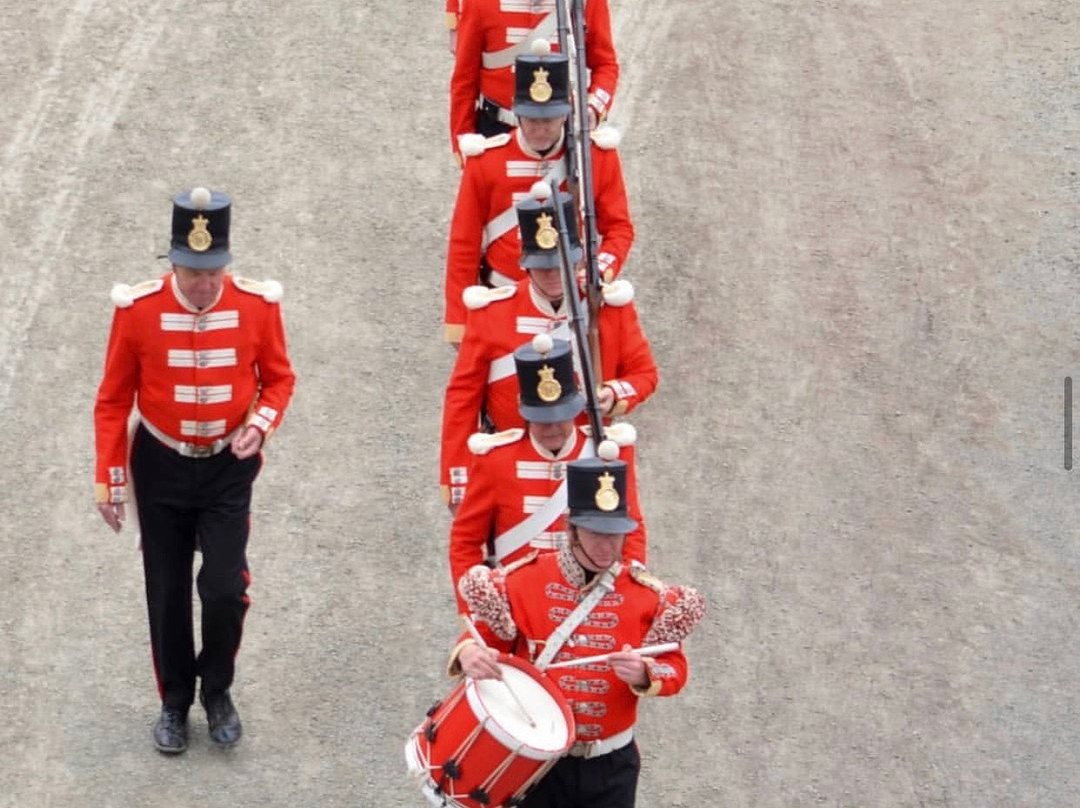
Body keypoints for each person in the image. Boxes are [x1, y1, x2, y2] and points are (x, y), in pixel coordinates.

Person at [93, 186, 296, 754]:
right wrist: (109, 478)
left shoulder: (257, 307)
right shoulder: (137, 313)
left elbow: (279, 379)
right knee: (168, 589)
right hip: (159, 466)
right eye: (192, 272)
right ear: (173, 262)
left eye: (213, 273)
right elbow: (112, 400)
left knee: (226, 588)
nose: (204, 285)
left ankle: (218, 689)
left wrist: (261, 423)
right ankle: (175, 702)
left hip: (228, 466)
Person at [451, 453, 706, 808]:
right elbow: (482, 638)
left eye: (616, 535)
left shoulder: (648, 595)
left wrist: (645, 673)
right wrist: (468, 653)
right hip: (538, 762)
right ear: (571, 528)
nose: (608, 547)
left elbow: (675, 667)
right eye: (596, 534)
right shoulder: (524, 579)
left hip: (610, 765)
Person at [440, 189, 656, 507]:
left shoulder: (610, 308)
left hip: (588, 457)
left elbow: (644, 374)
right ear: (526, 265)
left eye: (562, 264)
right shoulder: (492, 313)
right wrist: (459, 481)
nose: (554, 275)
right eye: (544, 267)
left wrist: (614, 393)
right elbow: (463, 398)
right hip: (510, 467)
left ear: (579, 259)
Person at [443, 43, 633, 344]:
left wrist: (598, 272)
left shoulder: (597, 158)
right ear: (517, 115)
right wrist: (459, 321)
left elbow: (619, 229)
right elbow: (464, 243)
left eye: (549, 119)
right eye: (532, 119)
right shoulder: (485, 162)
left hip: (570, 304)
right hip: (502, 302)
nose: (540, 129)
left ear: (565, 115)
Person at [448, 335, 647, 613]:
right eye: (542, 420)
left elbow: (630, 531)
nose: (552, 427)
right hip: (517, 604)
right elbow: (465, 543)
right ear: (524, 411)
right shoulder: (495, 460)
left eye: (560, 417)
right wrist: (479, 609)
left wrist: (624, 598)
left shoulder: (607, 452)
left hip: (590, 605)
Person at [448, 0, 619, 158]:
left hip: (562, 134)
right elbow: (464, 81)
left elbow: (605, 65)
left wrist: (593, 108)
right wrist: (463, 140)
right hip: (497, 132)